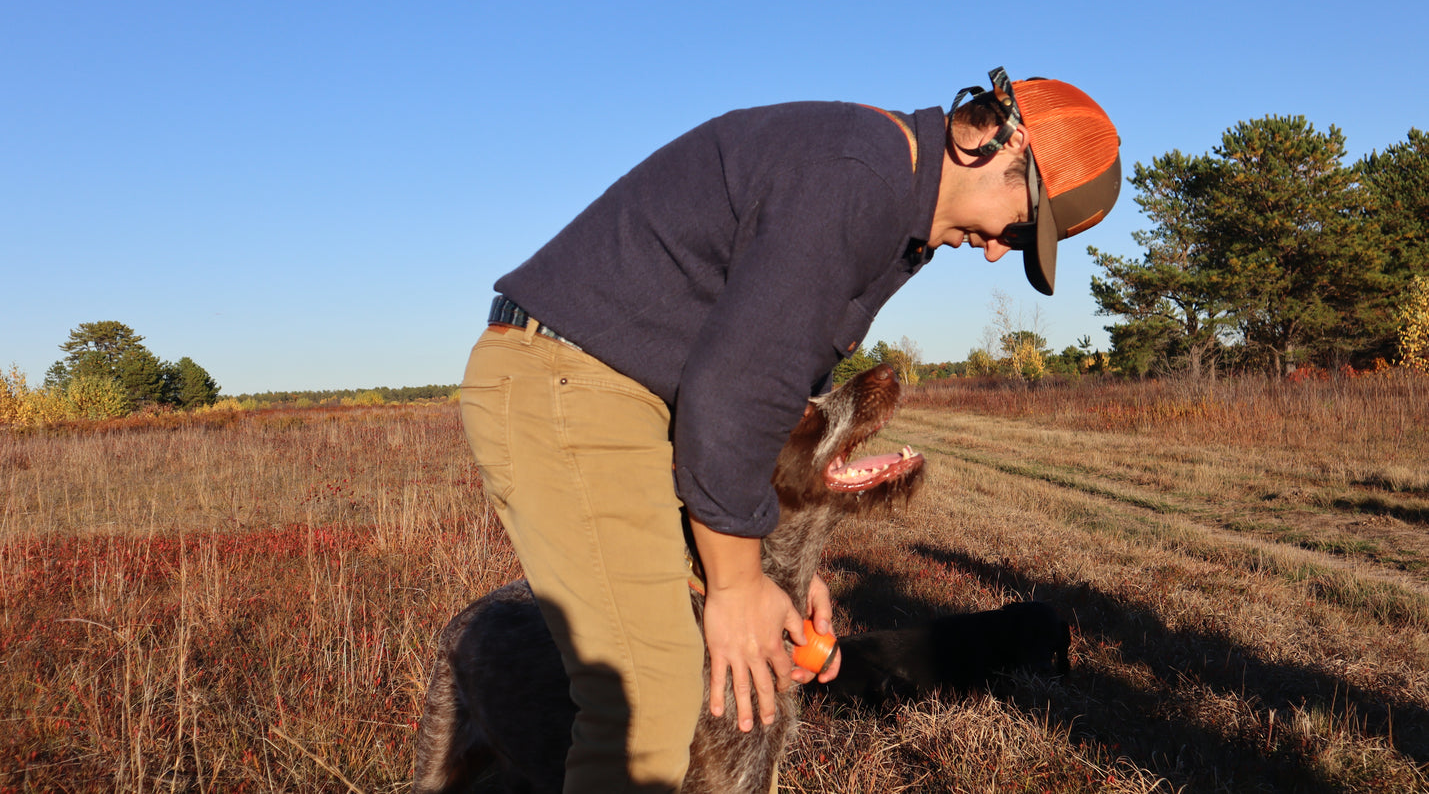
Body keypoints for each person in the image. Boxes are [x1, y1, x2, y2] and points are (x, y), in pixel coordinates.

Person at [458, 67, 1121, 791]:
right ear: (1000, 141)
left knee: (683, 678)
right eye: (1021, 225)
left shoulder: (886, 190)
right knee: (648, 693)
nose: (997, 248)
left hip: (619, 391)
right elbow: (733, 388)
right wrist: (738, 583)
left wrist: (780, 574)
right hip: (574, 381)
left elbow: (768, 410)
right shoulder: (858, 175)